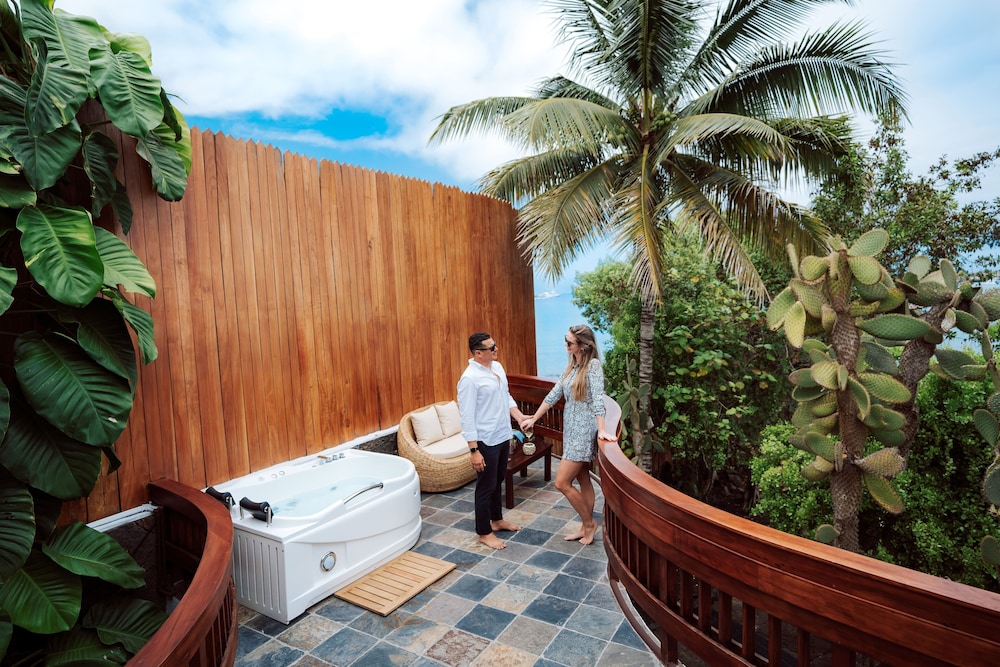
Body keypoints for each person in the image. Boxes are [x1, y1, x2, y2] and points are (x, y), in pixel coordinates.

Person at [525, 324, 615, 545]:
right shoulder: (572, 365)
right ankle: (585, 526)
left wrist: (602, 429)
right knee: (583, 478)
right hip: (571, 430)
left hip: (583, 432)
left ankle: (590, 524)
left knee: (562, 482)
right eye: (565, 340)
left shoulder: (593, 366)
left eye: (569, 342)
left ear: (583, 345)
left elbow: (597, 400)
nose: (565, 345)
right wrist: (534, 419)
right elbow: (554, 394)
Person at [457, 332, 530, 550]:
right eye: (491, 348)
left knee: (498, 480)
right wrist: (474, 450)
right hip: (485, 440)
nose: (496, 349)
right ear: (478, 353)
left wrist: (519, 417)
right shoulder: (469, 379)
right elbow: (467, 416)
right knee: (485, 486)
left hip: (502, 434)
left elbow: (505, 396)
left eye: (495, 345)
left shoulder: (497, 368)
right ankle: (484, 532)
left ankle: (497, 520)